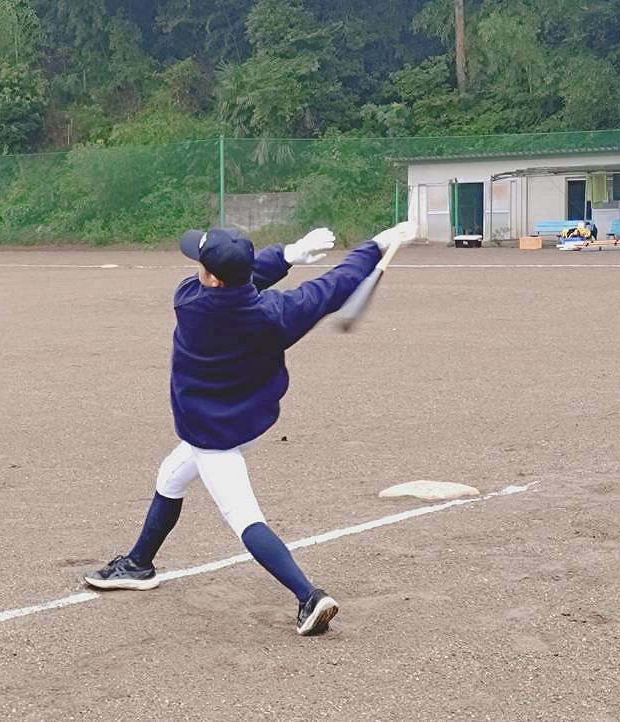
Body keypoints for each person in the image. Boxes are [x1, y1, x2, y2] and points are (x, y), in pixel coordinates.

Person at [84, 221, 415, 636]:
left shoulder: (188, 300)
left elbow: (238, 285)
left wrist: (288, 255)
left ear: (212, 278)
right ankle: (138, 563)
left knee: (244, 518)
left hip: (210, 435)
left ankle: (309, 596)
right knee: (170, 476)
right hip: (238, 420)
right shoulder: (274, 316)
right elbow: (333, 286)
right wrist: (373, 246)